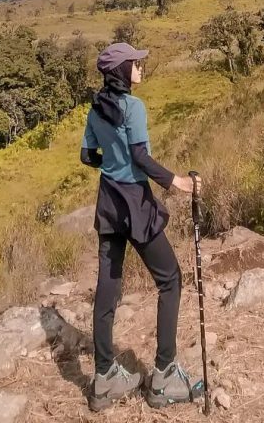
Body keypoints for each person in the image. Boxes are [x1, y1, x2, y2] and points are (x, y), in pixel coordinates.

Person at [80, 41, 203, 412]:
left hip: (108, 203)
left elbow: (88, 156)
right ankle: (164, 376)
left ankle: (104, 379)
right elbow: (139, 157)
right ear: (121, 71)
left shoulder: (96, 109)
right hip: (135, 201)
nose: (140, 68)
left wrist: (111, 160)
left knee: (108, 288)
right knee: (170, 279)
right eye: (135, 64)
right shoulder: (134, 107)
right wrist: (176, 181)